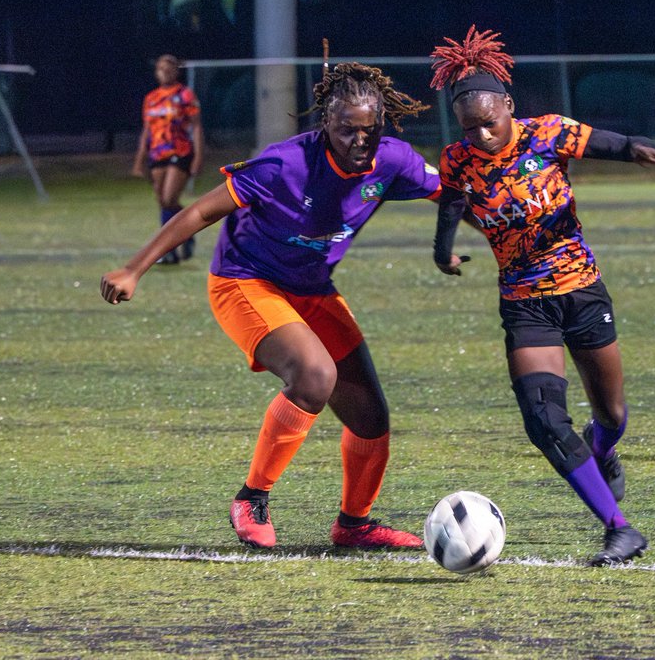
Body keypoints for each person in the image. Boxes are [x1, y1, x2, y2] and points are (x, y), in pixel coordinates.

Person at [103, 61, 438, 550]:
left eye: (371, 130)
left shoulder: (394, 160)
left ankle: (354, 525)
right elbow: (198, 211)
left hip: (312, 288)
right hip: (245, 282)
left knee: (370, 416)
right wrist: (134, 269)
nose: (360, 141)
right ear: (325, 123)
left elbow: (457, 193)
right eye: (347, 129)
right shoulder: (283, 165)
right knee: (313, 376)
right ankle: (251, 498)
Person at [428, 26, 655, 565]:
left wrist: (636, 151)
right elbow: (451, 203)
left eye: (490, 124)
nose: (483, 137)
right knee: (543, 419)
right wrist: (442, 250)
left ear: (508, 107)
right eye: (471, 129)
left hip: (581, 291)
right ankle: (619, 527)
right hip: (525, 303)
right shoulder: (457, 159)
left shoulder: (547, 133)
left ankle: (604, 450)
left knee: (610, 415)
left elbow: (603, 143)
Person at [132, 54, 205, 265]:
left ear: (176, 71)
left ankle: (168, 247)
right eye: (160, 68)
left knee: (169, 198)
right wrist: (139, 159)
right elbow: (147, 130)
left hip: (179, 151)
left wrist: (198, 157)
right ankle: (184, 237)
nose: (164, 72)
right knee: (163, 202)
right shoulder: (151, 98)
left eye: (168, 68)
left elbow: (196, 126)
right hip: (157, 154)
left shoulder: (185, 95)